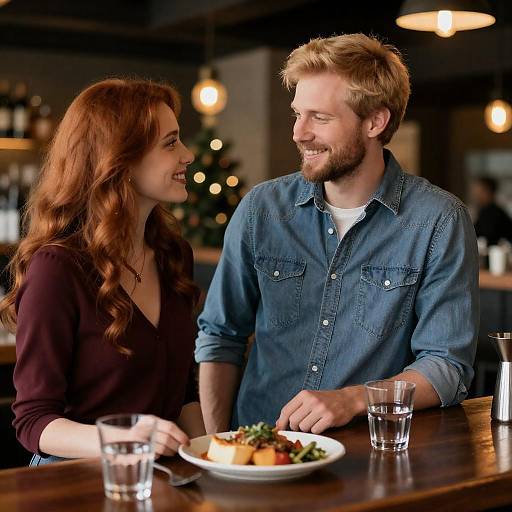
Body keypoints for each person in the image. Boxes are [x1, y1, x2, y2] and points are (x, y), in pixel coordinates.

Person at [195, 34, 479, 434]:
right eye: (297, 113)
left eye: (320, 117)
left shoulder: (439, 220)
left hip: (368, 456)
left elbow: (446, 365)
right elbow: (221, 337)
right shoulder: (261, 210)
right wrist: (218, 446)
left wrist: (351, 399)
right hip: (257, 453)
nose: (299, 132)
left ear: (375, 121)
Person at [1, 78, 205, 465]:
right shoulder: (57, 268)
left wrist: (211, 458)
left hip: (160, 477)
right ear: (120, 159)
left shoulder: (173, 255)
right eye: (170, 142)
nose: (188, 155)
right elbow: (34, 421)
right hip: (74, 480)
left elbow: (184, 397)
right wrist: (127, 437)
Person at [471, 176, 512, 246]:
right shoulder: (488, 210)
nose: (475, 195)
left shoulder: (491, 213)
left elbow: (487, 239)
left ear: (487, 191)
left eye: (478, 191)